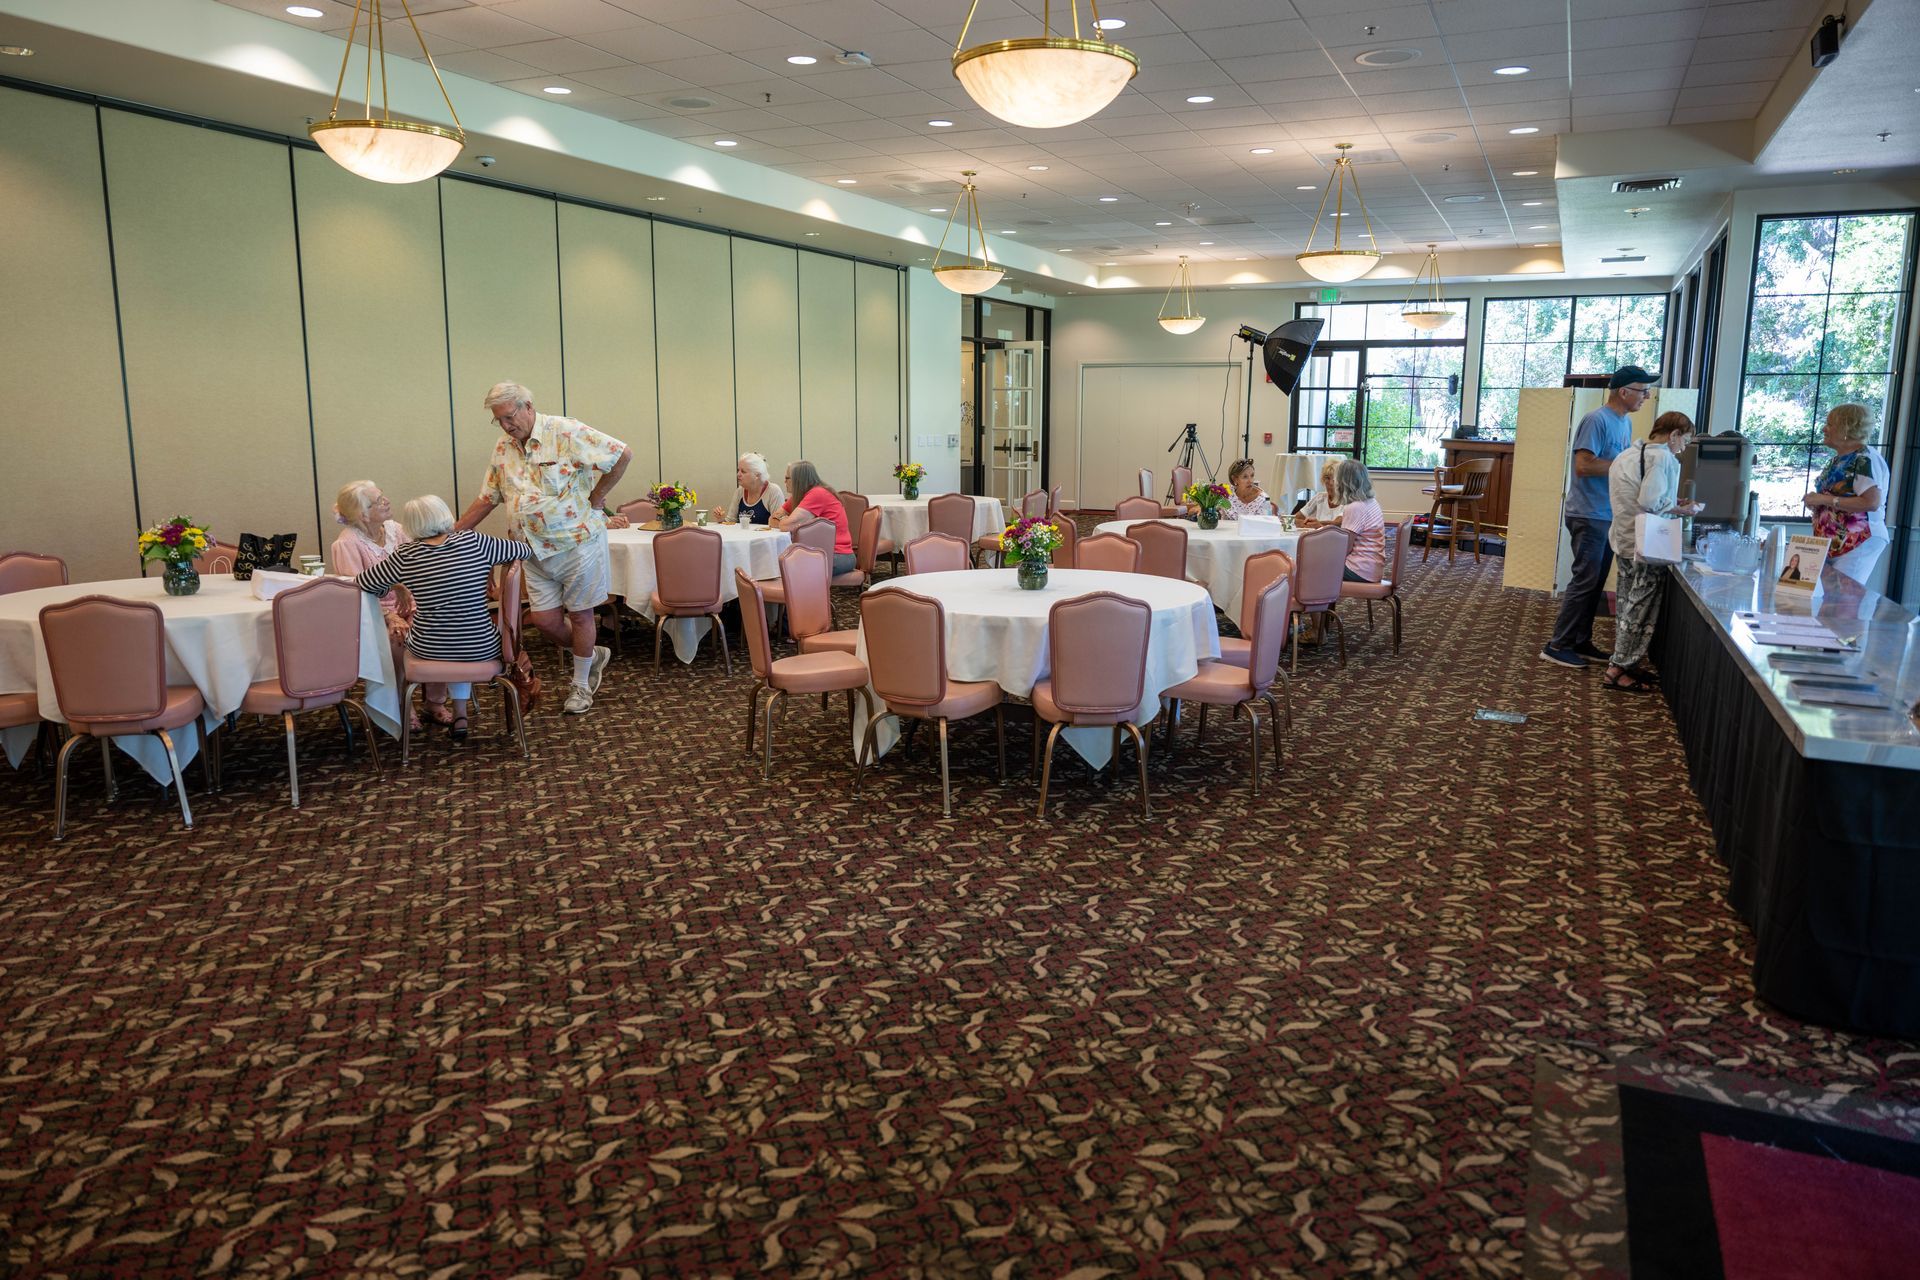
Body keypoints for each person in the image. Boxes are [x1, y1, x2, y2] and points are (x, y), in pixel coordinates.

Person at [455, 382, 630, 716]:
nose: (506, 426)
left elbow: (622, 454)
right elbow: (488, 497)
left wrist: (596, 498)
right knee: (545, 621)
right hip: (531, 550)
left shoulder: (565, 431)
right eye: (499, 420)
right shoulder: (503, 447)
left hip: (576, 543)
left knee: (580, 615)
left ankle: (580, 684)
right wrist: (452, 533)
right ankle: (591, 655)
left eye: (509, 417)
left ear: (528, 406)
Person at [355, 496, 534, 742]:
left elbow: (363, 583)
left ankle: (417, 711)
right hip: (481, 645)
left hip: (430, 648)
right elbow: (524, 551)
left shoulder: (406, 554)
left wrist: (394, 586)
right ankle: (460, 714)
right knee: (463, 636)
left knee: (433, 638)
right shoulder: (475, 541)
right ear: (445, 515)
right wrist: (489, 564)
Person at [1542, 365, 1654, 668]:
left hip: (1608, 514)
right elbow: (1584, 466)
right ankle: (1558, 645)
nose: (1647, 396)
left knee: (1595, 582)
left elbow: (1617, 469)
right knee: (1585, 580)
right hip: (1588, 513)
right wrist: (1626, 462)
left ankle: (1580, 640)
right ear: (1624, 391)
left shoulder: (1624, 423)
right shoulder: (1596, 420)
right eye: (1643, 391)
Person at [328, 479, 448, 731]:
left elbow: (418, 563)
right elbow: (358, 590)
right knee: (398, 639)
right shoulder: (347, 543)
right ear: (362, 514)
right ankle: (403, 705)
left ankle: (435, 702)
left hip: (414, 604)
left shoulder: (394, 529)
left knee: (440, 632)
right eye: (378, 501)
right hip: (374, 613)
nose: (386, 502)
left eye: (383, 496)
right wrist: (390, 615)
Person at [1601, 412, 1703, 694]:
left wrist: (1669, 501)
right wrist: (1682, 509)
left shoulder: (1628, 455)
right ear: (1673, 434)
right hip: (1646, 542)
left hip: (1622, 537)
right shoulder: (1663, 458)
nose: (1683, 448)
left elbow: (1637, 495)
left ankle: (1624, 663)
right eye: (1685, 440)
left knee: (1625, 600)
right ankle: (1618, 667)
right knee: (1640, 605)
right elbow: (1649, 502)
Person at [1803, 402, 1892, 587]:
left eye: (1830, 424)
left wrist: (1824, 499)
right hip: (1835, 542)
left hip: (1858, 541)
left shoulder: (1864, 459)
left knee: (1843, 601)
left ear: (1846, 428)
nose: (1823, 429)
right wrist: (1818, 503)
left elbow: (1871, 502)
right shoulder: (1838, 459)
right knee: (1826, 599)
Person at [1302, 458, 1385, 583]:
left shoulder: (1355, 507)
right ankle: (1322, 600)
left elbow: (1345, 548)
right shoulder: (1371, 502)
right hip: (1372, 567)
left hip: (1358, 570)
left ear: (1343, 482)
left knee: (1304, 564)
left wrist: (1319, 538)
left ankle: (1313, 600)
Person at [768, 460, 855, 574]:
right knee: (782, 563)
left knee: (788, 567)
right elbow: (772, 519)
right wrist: (783, 521)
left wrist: (783, 521)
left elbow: (787, 525)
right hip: (818, 552)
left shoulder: (817, 494)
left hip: (837, 555)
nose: (784, 481)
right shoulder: (799, 496)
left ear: (798, 479)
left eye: (787, 478)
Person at [711, 452, 787, 526]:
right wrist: (721, 519)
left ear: (757, 475)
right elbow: (730, 522)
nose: (738, 474)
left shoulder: (773, 491)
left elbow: (778, 525)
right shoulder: (739, 492)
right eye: (738, 470)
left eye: (743, 471)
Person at [1187, 459, 1274, 521]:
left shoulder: (1263, 499)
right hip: (1225, 538)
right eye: (1245, 477)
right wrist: (1202, 509)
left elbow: (1265, 525)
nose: (1250, 481)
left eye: (1252, 475)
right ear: (1235, 479)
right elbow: (1196, 509)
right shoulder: (1227, 493)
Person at [1297, 458, 1343, 522]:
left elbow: (1337, 524)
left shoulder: (1348, 502)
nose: (1330, 483)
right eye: (1327, 478)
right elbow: (1297, 518)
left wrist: (1316, 524)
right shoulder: (1320, 498)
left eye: (1335, 479)